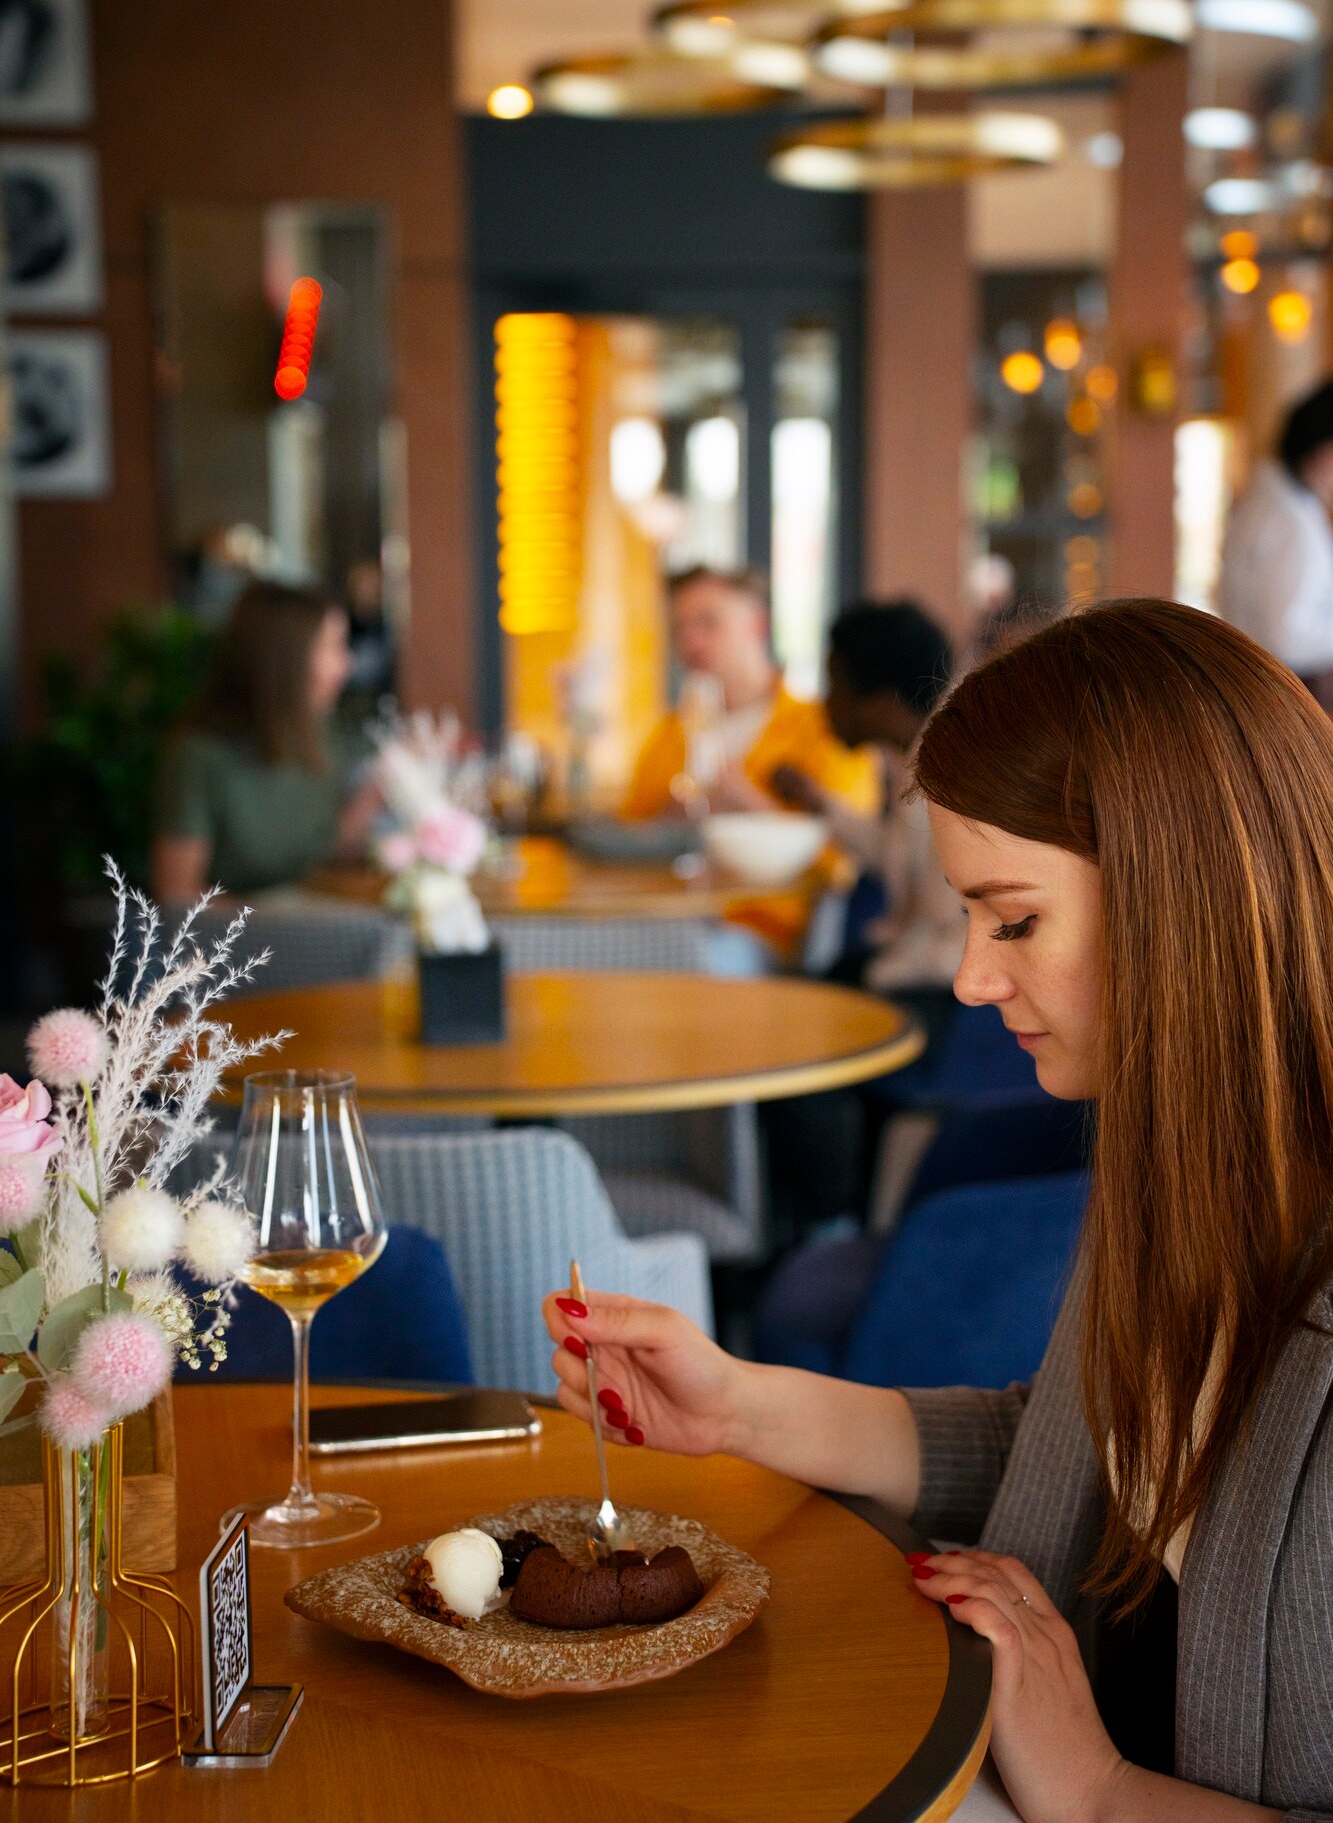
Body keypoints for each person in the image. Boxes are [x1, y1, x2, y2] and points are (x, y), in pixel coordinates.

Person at [545, 600, 1333, 1821]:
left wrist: (1095, 1787)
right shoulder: (1179, 1158)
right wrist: (738, 1401)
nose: (970, 975)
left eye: (1014, 919)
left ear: (1187, 900)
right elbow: (1080, 1449)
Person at [764, 599, 965, 1233]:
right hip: (911, 965)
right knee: (786, 1013)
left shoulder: (957, 771)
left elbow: (961, 926)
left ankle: (834, 1226)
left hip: (948, 994)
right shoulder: (914, 756)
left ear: (874, 696)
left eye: (832, 681)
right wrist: (822, 804)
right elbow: (900, 858)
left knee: (800, 1054)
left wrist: (882, 973)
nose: (822, 701)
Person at [622, 565, 875, 953]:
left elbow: (846, 857)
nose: (692, 642)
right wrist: (667, 820)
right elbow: (626, 832)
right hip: (669, 917)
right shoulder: (670, 733)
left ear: (756, 625)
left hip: (764, 931)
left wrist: (746, 802)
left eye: (708, 622)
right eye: (680, 629)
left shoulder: (822, 725)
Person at [151, 580, 380, 901]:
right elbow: (177, 895)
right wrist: (283, 926)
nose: (347, 664)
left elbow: (325, 851)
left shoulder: (322, 736)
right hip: (241, 944)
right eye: (334, 646)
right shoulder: (201, 755)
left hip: (317, 933)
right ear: (286, 660)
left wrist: (379, 791)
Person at [1219, 377, 1333, 700]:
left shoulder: (1277, 502)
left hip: (1259, 683)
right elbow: (1286, 635)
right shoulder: (1288, 521)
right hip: (1278, 691)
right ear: (1323, 451)